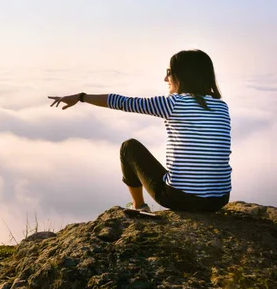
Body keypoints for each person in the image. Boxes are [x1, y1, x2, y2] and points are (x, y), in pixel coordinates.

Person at [48, 49, 231, 212]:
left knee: (129, 147)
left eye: (169, 73)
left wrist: (81, 97)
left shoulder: (173, 103)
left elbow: (121, 102)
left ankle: (139, 207)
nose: (165, 79)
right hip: (219, 200)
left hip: (181, 198)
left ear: (183, 75)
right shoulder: (222, 107)